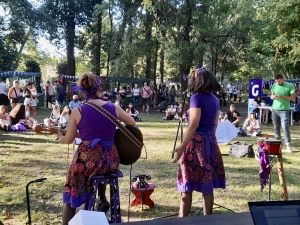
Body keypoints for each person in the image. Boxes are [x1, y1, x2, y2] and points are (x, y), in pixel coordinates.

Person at [57, 73, 135, 225]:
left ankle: (67, 219)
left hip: (87, 161)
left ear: (82, 90)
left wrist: (60, 135)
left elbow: (68, 140)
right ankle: (102, 198)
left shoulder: (78, 111)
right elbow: (132, 123)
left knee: (71, 183)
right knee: (100, 168)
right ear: (99, 88)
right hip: (110, 160)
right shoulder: (114, 107)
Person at [172, 67, 225, 217]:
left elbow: (194, 124)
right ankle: (207, 219)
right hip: (210, 142)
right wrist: (209, 141)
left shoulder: (196, 98)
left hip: (195, 144)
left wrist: (182, 147)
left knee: (187, 185)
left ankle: (183, 219)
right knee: (207, 186)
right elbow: (215, 125)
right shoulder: (214, 99)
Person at [270, 74, 295, 153]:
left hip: (284, 110)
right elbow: (271, 95)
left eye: (279, 81)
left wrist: (283, 97)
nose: (278, 83)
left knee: (285, 127)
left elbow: (293, 98)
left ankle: (288, 145)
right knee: (276, 127)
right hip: (274, 109)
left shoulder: (290, 85)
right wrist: (272, 97)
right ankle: (278, 145)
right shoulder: (274, 85)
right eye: (277, 81)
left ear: (283, 79)